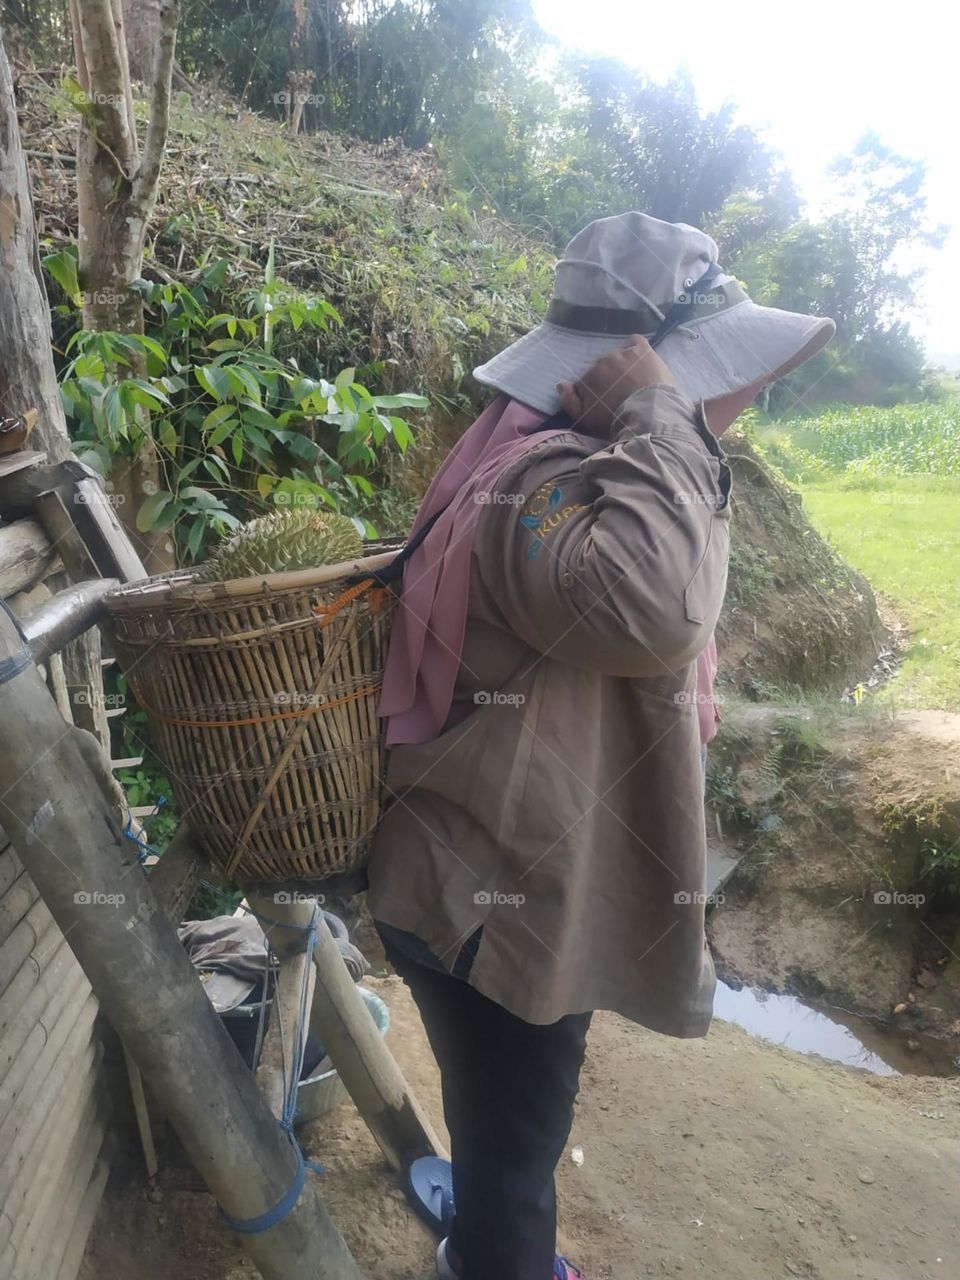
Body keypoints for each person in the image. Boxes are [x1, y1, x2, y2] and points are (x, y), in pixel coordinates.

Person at [366, 212, 835, 1280]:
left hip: (471, 873)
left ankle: (488, 1235)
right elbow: (658, 605)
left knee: (502, 1134)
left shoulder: (581, 468)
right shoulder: (545, 488)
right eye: (703, 372)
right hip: (487, 901)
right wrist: (661, 417)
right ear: (632, 373)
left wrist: (654, 425)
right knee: (517, 1164)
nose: (739, 394)